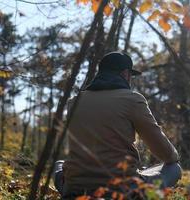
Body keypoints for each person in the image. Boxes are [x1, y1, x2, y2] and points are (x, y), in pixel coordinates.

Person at [54, 51, 181, 199]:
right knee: (174, 168)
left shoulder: (73, 102)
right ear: (125, 74)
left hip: (75, 189)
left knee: (59, 164)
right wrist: (174, 156)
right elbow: (164, 152)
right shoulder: (132, 100)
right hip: (121, 191)